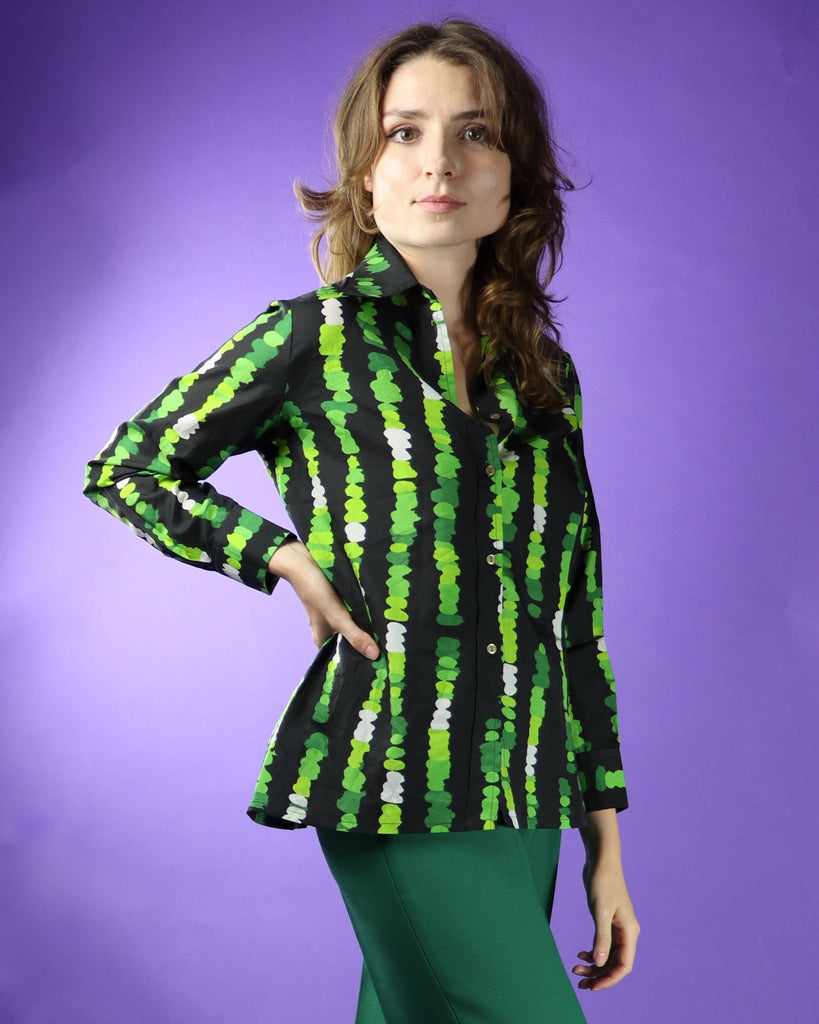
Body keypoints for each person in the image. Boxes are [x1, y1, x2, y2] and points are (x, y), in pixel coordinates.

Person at [84, 18, 639, 1024]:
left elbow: (575, 619)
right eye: (404, 133)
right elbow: (132, 467)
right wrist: (279, 555)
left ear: (514, 174)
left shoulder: (544, 377)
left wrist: (606, 844)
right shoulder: (310, 340)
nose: (439, 162)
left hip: (528, 792)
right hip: (393, 776)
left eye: (475, 132)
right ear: (365, 172)